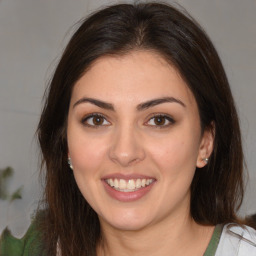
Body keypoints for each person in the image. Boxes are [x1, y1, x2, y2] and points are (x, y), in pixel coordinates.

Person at [1, 2, 256, 256]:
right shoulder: (28, 247)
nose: (124, 152)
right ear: (65, 139)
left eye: (159, 120)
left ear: (205, 142)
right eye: (97, 120)